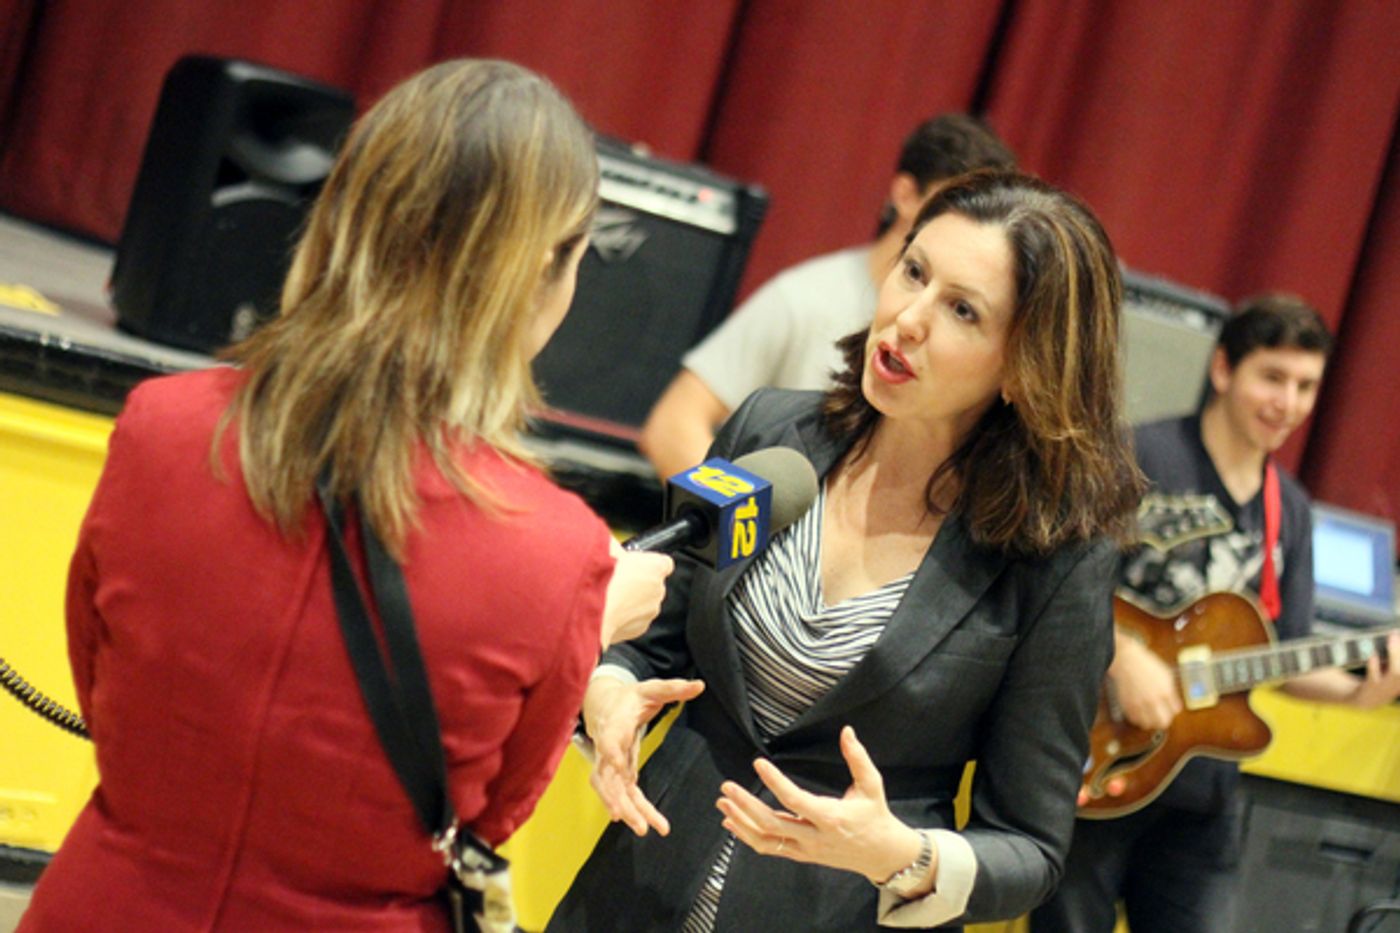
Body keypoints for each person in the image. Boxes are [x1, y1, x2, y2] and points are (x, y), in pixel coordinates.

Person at [19, 59, 675, 932]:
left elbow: (102, 685)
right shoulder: (561, 552)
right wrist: (584, 621)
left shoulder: (160, 426)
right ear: (544, 272)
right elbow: (484, 818)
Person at [546, 170, 1148, 932]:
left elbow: (1029, 847)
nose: (907, 318)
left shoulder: (1056, 558)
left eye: (962, 309)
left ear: (1026, 366)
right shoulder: (769, 432)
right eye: (914, 270)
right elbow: (651, 640)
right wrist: (606, 691)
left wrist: (902, 852)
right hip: (638, 889)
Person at [1029, 295, 1400, 933]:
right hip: (1095, 760)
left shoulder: (1294, 511)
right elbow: (1047, 580)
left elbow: (1282, 657)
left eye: (1306, 386)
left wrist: (1362, 695)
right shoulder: (1136, 456)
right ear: (1225, 369)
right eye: (1273, 378)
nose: (1288, 403)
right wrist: (1124, 654)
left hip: (1203, 796)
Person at [638, 114, 1016, 480]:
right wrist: (748, 529)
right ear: (905, 194)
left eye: (962, 310)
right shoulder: (804, 298)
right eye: (947, 205)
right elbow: (673, 425)